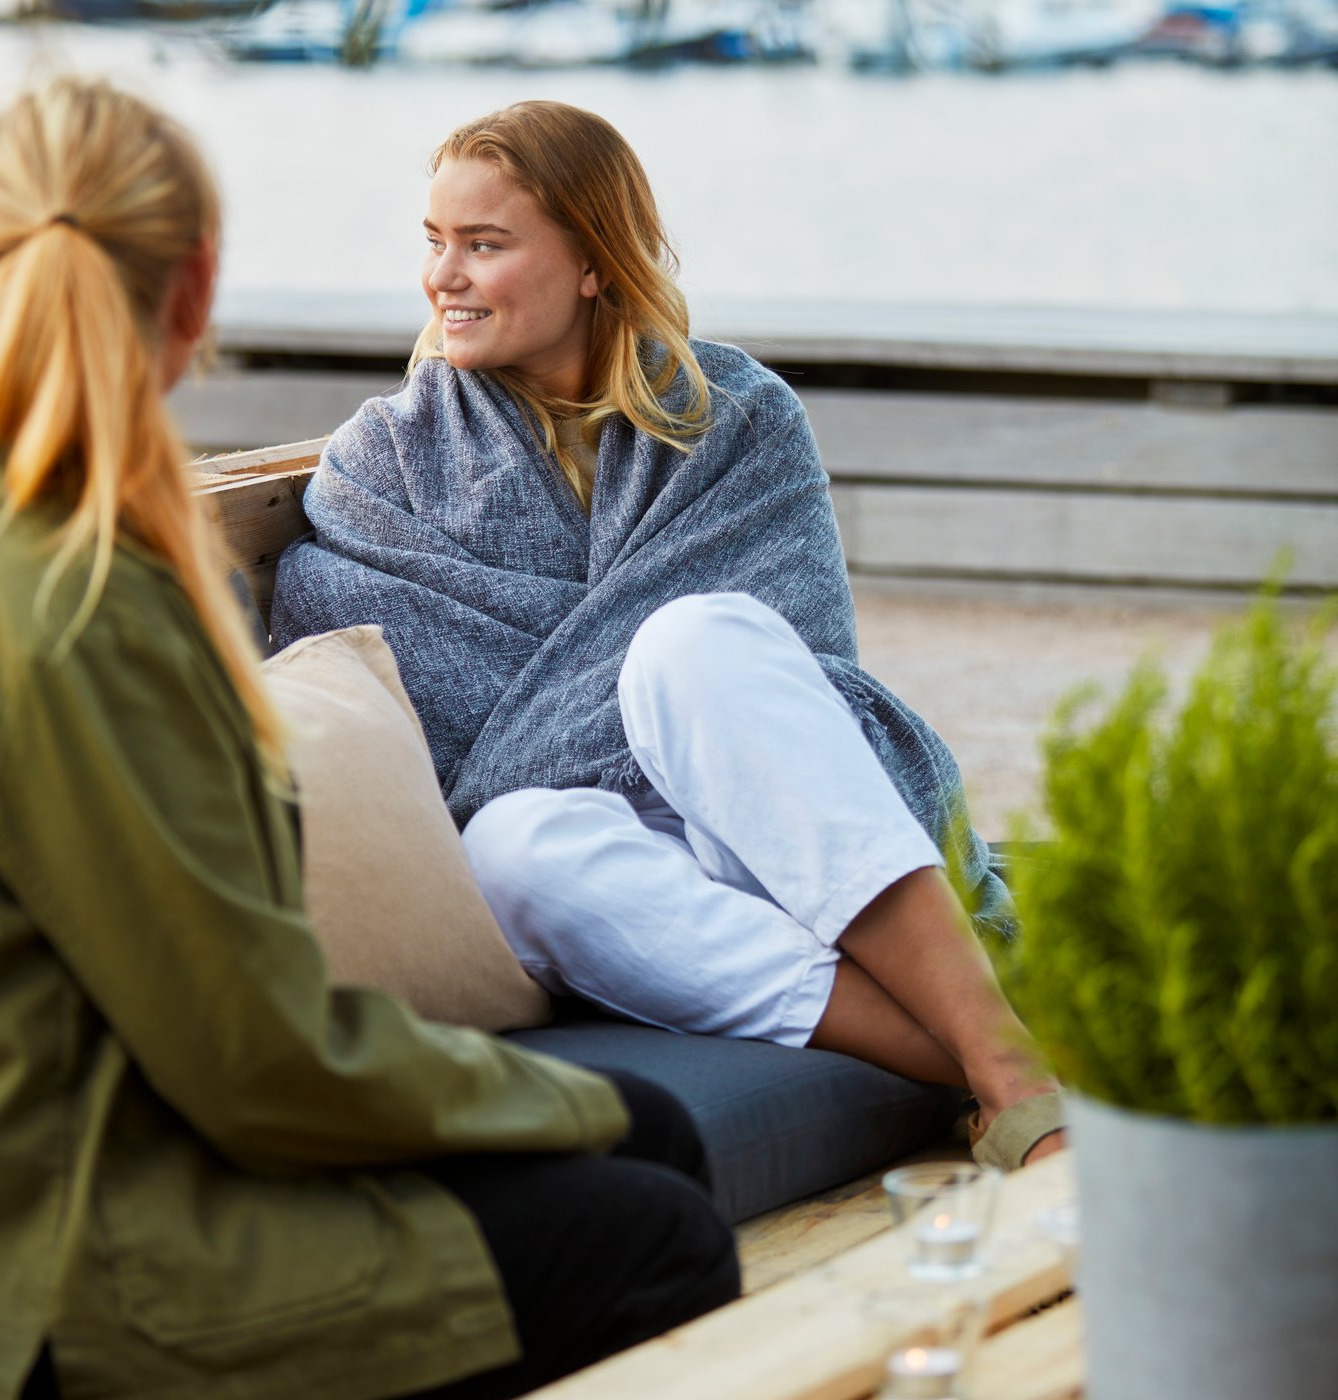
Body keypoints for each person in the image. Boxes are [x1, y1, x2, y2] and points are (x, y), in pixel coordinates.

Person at [0, 78, 740, 1400]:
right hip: (47, 1265)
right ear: (194, 293)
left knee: (634, 1153)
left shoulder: (27, 554)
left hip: (37, 1176)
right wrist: (573, 1101)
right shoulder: (81, 598)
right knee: (651, 1216)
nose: (448, 273)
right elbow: (254, 1062)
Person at [270, 101, 1067, 1171]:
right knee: (509, 843)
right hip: (629, 896)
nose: (442, 276)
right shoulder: (388, 463)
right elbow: (407, 724)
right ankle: (977, 1050)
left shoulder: (734, 416)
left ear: (593, 261)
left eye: (484, 244)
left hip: (776, 819)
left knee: (691, 642)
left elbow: (803, 684)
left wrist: (647, 680)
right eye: (434, 241)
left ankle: (1005, 1074)